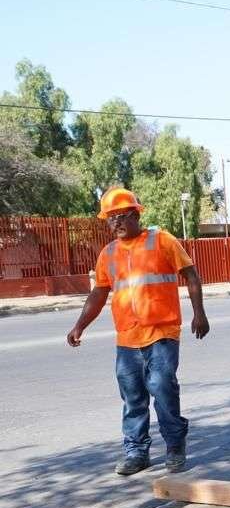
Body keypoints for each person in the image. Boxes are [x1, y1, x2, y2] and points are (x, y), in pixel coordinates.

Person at [66, 187, 210, 475]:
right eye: (110, 219)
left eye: (121, 216)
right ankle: (136, 452)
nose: (116, 223)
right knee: (133, 397)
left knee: (162, 388)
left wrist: (199, 313)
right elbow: (99, 293)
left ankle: (174, 447)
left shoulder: (162, 240)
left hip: (162, 332)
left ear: (135, 215)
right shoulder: (108, 253)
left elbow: (190, 274)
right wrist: (79, 325)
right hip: (127, 338)